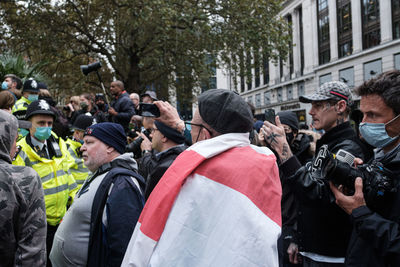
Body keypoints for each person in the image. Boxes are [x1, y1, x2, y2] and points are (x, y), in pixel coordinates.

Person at [122, 89, 282, 266]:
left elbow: (167, 247)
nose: (190, 131)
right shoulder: (265, 163)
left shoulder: (191, 172)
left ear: (205, 134)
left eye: (193, 126)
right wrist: (179, 124)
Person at [261, 81, 371, 267]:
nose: (311, 112)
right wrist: (298, 237)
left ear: (340, 107)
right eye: (312, 106)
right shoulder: (327, 143)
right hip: (315, 251)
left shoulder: (349, 148)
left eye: (318, 106)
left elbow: (316, 194)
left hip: (332, 256)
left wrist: (284, 150)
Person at [329, 70, 400, 266]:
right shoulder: (379, 157)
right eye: (362, 114)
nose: (363, 124)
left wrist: (361, 214)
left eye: (373, 115)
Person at [50, 122, 145, 267]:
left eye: (89, 142)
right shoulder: (101, 174)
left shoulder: (122, 183)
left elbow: (122, 246)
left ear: (110, 146)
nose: (82, 147)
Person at [12, 99, 78, 266]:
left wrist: (74, 201)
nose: (46, 127)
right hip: (36, 226)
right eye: (41, 123)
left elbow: (67, 176)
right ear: (28, 124)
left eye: (49, 123)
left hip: (62, 222)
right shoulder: (20, 153)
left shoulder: (58, 144)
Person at [0, 109, 47, 266]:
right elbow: (32, 253)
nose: (16, 144)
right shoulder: (23, 178)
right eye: (15, 138)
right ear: (5, 140)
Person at [138, 120, 186, 199]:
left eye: (154, 130)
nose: (150, 135)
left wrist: (146, 152)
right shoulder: (182, 154)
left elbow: (152, 170)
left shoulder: (165, 167)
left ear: (164, 137)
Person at [65, 114, 96, 190]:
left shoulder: (93, 147)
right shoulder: (67, 149)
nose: (93, 136)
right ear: (77, 133)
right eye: (87, 134)